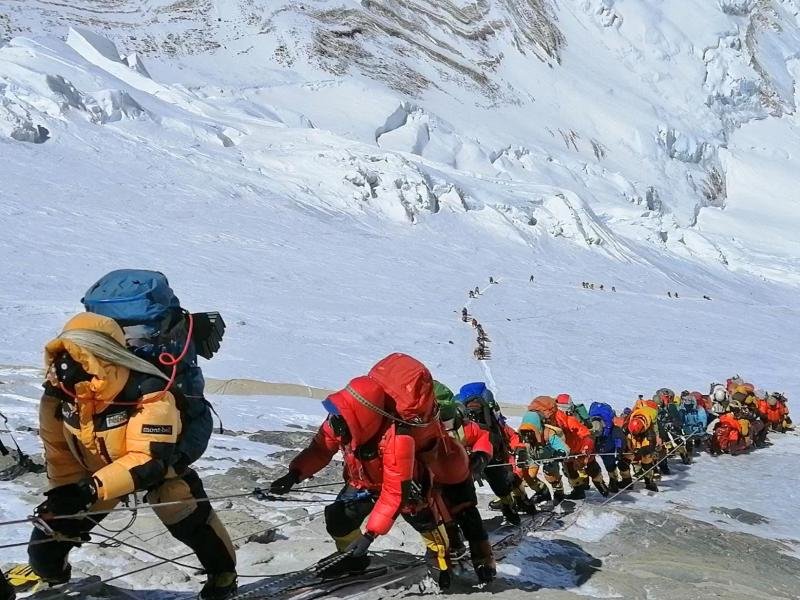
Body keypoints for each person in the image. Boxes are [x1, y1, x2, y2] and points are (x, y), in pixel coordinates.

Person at [29, 314, 237, 600]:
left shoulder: (150, 391)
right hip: (98, 475)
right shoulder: (61, 393)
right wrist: (64, 491)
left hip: (159, 469)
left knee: (193, 525)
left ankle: (223, 579)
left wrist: (88, 490)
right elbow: (58, 447)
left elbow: (148, 460)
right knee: (46, 546)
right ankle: (57, 582)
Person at [270, 375, 459, 587]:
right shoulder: (340, 421)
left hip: (408, 489)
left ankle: (443, 564)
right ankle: (353, 559)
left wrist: (369, 536)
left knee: (428, 528)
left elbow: (395, 493)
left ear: (360, 416)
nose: (333, 420)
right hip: (363, 484)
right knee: (338, 519)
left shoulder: (396, 439)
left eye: (340, 415)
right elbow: (321, 449)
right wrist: (294, 474)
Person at [433, 384, 496, 582]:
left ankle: (484, 561)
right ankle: (451, 560)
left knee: (469, 520)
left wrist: (481, 456)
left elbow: (481, 436)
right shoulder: (417, 428)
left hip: (458, 478)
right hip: (434, 483)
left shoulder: (463, 424)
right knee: (443, 523)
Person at [458, 383, 524, 524]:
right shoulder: (493, 421)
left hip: (470, 460)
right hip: (494, 459)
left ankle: (463, 524)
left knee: (463, 491)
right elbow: (509, 435)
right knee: (503, 485)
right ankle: (512, 510)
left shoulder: (464, 425)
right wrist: (519, 448)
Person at [529, 396, 600, 500]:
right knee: (552, 470)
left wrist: (584, 450)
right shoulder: (544, 418)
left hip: (570, 447)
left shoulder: (566, 418)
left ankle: (580, 489)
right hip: (556, 447)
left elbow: (585, 434)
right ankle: (562, 493)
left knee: (572, 468)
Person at [517, 410, 569, 503]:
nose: (527, 435)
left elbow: (562, 447)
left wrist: (560, 453)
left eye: (531, 431)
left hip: (550, 457)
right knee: (528, 475)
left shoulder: (548, 433)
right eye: (525, 431)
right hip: (533, 456)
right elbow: (518, 445)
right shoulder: (523, 435)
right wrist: (521, 454)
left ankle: (559, 493)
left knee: (551, 475)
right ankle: (542, 491)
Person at [587, 402, 627, 493]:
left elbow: (619, 439)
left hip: (608, 445)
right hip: (601, 446)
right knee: (606, 463)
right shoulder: (591, 427)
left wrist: (619, 451)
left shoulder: (612, 429)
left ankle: (613, 481)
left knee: (609, 463)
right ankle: (611, 481)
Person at [623, 404, 659, 492]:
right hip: (635, 429)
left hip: (647, 436)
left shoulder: (650, 432)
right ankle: (627, 482)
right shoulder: (628, 423)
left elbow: (650, 446)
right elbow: (625, 436)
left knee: (647, 460)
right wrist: (625, 449)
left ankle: (649, 482)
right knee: (623, 462)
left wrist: (640, 451)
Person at [678, 392, 708, 458]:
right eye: (686, 405)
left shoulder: (699, 409)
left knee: (702, 436)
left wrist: (702, 424)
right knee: (688, 439)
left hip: (698, 428)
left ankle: (701, 444)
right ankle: (688, 453)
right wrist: (680, 423)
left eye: (689, 405)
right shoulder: (682, 410)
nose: (687, 407)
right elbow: (681, 419)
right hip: (687, 428)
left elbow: (702, 418)